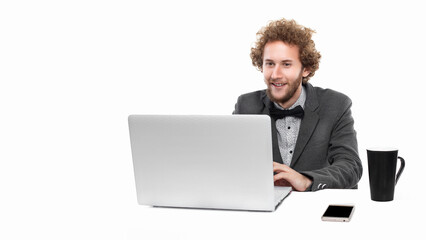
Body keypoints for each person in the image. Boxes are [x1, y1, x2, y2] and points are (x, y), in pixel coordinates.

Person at [233, 18, 362, 191]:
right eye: (270, 64)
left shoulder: (336, 105)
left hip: (315, 206)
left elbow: (350, 166)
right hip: (265, 208)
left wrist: (306, 180)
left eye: (286, 64)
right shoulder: (246, 105)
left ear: (306, 69)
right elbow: (231, 163)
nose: (275, 74)